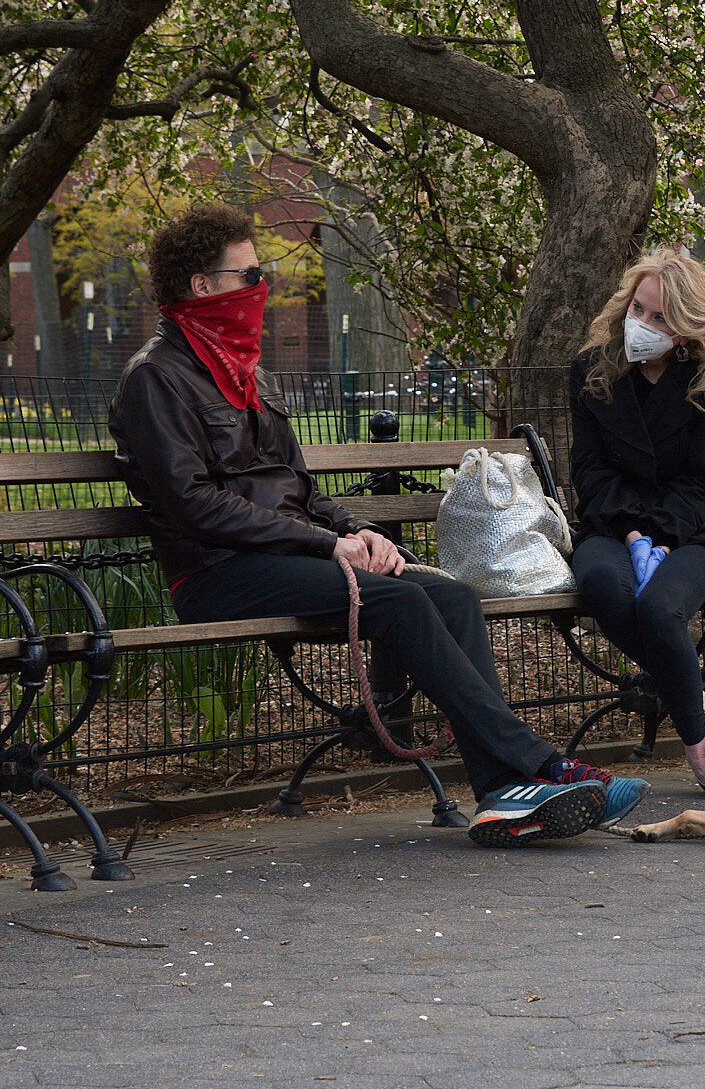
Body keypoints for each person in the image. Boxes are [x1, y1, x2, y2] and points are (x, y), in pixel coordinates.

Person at [108, 202, 648, 846]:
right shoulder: (157, 379)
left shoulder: (243, 371)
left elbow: (299, 489)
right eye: (248, 276)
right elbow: (193, 506)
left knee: (448, 594)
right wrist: (327, 544)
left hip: (290, 558)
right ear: (202, 287)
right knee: (397, 601)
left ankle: (502, 797)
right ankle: (538, 766)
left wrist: (359, 530)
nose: (260, 290)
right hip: (216, 573)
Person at [569, 248, 705, 799]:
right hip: (610, 523)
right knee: (604, 584)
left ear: (686, 329)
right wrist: (630, 533)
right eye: (638, 309)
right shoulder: (592, 370)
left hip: (692, 528)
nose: (643, 324)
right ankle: (699, 704)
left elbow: (704, 483)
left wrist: (659, 538)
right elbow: (589, 470)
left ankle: (698, 752)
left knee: (657, 606)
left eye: (659, 318)